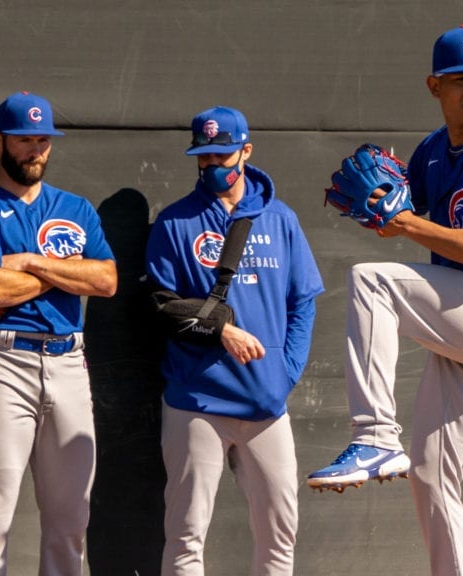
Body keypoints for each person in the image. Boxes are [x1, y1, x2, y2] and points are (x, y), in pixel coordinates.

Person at [307, 26, 463, 575]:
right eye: (460, 80)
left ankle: (373, 435)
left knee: (374, 281)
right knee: (431, 470)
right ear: (433, 86)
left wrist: (408, 226)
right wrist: (385, 215)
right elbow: (404, 223)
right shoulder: (431, 153)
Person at [146, 106, 324, 576]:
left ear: (246, 151)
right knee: (186, 536)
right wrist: (220, 329)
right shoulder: (174, 222)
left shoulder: (280, 218)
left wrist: (285, 374)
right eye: (203, 158)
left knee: (280, 534)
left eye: (222, 155)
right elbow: (163, 306)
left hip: (266, 405)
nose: (212, 167)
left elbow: (303, 301)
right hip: (196, 401)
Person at [0, 91, 117, 575]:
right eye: (24, 140)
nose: (35, 149)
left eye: (43, 140)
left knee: (70, 519)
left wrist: (30, 263)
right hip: (5, 364)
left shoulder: (76, 208)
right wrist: (66, 271)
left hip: (68, 363)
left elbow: (106, 281)